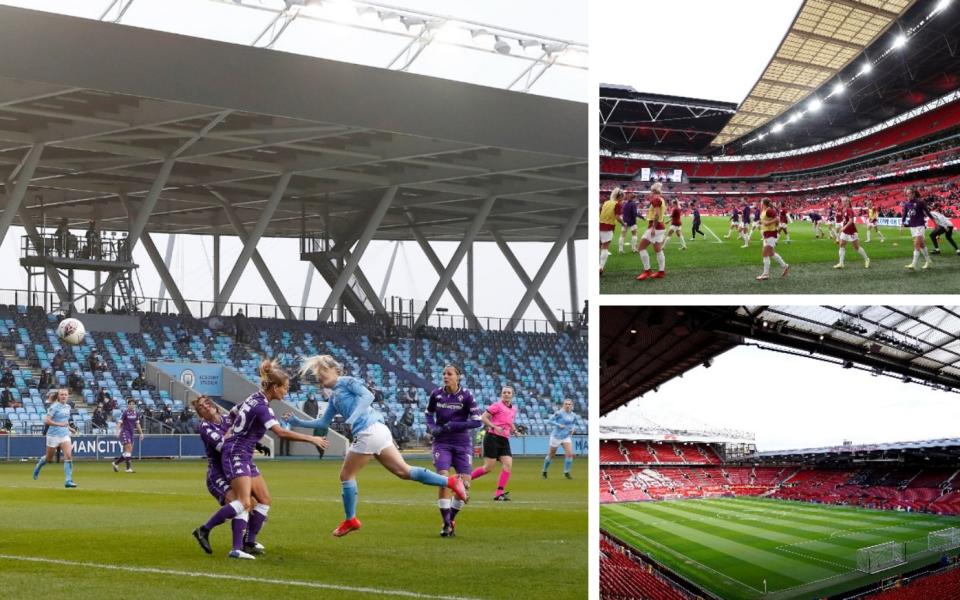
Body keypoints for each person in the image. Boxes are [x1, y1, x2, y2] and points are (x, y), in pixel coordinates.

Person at [287, 355, 468, 538]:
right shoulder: (334, 398)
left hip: (369, 431)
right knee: (404, 472)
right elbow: (323, 423)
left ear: (336, 370)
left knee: (346, 475)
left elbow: (368, 396)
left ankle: (351, 519)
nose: (320, 376)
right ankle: (451, 482)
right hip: (378, 431)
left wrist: (353, 417)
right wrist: (298, 421)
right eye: (317, 374)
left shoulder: (347, 381)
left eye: (323, 371)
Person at [193, 360, 328, 560]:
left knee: (264, 500)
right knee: (245, 502)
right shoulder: (263, 408)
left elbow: (234, 415)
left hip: (244, 453)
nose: (286, 392)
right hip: (235, 455)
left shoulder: (254, 398)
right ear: (274, 387)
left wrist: (247, 439)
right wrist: (312, 438)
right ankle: (216, 536)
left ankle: (249, 542)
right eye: (285, 388)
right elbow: (280, 433)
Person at [426, 364, 482, 537]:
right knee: (443, 478)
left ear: (458, 377)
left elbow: (477, 421)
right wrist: (432, 427)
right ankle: (447, 523)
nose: (445, 376)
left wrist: (455, 425)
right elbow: (428, 413)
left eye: (449, 374)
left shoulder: (466, 396)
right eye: (443, 374)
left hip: (462, 443)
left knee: (464, 485)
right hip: (442, 442)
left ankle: (449, 520)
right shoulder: (436, 394)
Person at [471, 386, 520, 500]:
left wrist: (515, 431)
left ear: (512, 395)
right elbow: (483, 417)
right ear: (501, 394)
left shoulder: (513, 409)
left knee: (508, 464)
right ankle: (465, 480)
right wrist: (494, 426)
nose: (506, 394)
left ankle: (499, 493)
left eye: (509, 393)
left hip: (504, 440)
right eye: (504, 392)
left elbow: (510, 422)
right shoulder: (497, 406)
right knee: (488, 468)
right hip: (492, 438)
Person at [32, 389, 78, 488]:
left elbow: (64, 421)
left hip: (64, 434)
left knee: (68, 456)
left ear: (68, 396)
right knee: (49, 459)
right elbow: (46, 420)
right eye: (62, 394)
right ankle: (39, 466)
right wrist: (59, 424)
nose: (64, 396)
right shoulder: (54, 407)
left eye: (65, 395)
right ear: (58, 396)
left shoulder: (68, 407)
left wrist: (70, 428)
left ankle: (68, 480)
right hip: (53, 435)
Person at [636, 183, 667, 281]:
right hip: (660, 227)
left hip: (655, 227)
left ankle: (647, 270)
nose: (650, 193)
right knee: (658, 250)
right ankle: (661, 272)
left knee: (641, 248)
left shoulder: (655, 199)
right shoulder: (661, 199)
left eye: (650, 191)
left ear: (653, 191)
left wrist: (653, 227)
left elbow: (657, 214)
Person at [755, 198, 790, 281]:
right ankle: (785, 266)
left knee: (765, 254)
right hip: (766, 234)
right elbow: (765, 220)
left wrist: (768, 223)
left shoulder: (769, 210)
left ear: (764, 203)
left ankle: (765, 274)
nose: (760, 203)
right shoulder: (764, 211)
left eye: (761, 202)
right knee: (771, 254)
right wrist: (761, 222)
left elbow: (777, 218)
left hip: (771, 234)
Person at [542, 399, 577, 480]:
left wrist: (573, 429)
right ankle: (544, 471)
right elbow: (549, 421)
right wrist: (558, 425)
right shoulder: (559, 413)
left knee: (569, 454)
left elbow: (574, 423)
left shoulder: (573, 415)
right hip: (556, 436)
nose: (568, 405)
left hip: (566, 436)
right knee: (551, 455)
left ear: (572, 405)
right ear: (563, 405)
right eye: (566, 404)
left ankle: (566, 472)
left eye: (569, 404)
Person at [833, 197, 870, 270]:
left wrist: (843, 227)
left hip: (851, 231)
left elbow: (851, 221)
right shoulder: (843, 209)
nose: (843, 203)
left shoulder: (849, 210)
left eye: (844, 201)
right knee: (841, 245)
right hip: (845, 231)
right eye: (842, 201)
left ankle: (867, 259)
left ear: (847, 202)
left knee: (856, 247)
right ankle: (841, 263)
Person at [901, 186, 932, 270]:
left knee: (916, 244)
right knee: (922, 245)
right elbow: (904, 214)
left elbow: (927, 212)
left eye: (910, 193)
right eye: (907, 194)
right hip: (912, 227)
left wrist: (934, 221)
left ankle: (913, 264)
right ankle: (928, 260)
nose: (908, 195)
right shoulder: (906, 204)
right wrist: (902, 224)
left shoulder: (920, 202)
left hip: (920, 225)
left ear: (914, 193)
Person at [112, 399, 143, 473]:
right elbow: (119, 423)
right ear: (128, 405)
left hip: (131, 433)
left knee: (128, 451)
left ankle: (115, 463)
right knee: (128, 448)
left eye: (133, 404)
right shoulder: (125, 413)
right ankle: (128, 468)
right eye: (130, 404)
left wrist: (141, 433)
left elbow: (137, 424)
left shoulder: (136, 413)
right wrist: (117, 431)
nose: (132, 405)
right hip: (125, 432)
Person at [598, 188, 621, 275]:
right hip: (608, 227)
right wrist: (624, 224)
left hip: (599, 225)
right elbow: (618, 217)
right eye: (622, 197)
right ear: (620, 197)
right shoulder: (617, 204)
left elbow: (599, 212)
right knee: (605, 248)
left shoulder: (606, 202)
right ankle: (600, 267)